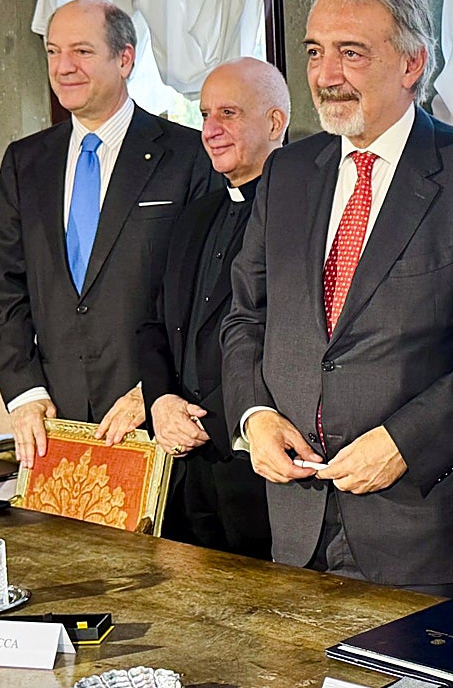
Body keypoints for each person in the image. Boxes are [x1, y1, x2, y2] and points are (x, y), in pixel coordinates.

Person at [220, 0, 453, 595]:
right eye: (316, 52)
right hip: (295, 522)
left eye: (351, 53)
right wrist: (254, 416)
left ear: (411, 64)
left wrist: (407, 441)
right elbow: (245, 316)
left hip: (425, 524)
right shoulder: (288, 172)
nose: (325, 76)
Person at [0, 0, 216, 469]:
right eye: (52, 52)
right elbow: (3, 290)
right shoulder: (24, 162)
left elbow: (206, 298)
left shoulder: (188, 155)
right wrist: (25, 393)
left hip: (154, 422)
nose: (63, 67)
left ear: (125, 59)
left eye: (82, 52)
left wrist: (155, 388)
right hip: (54, 425)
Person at [137, 58, 287, 559]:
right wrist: (160, 401)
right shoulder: (196, 211)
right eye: (204, 115)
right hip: (183, 466)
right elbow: (153, 320)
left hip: (260, 465)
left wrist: (214, 418)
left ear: (274, 122)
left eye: (228, 113)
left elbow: (287, 338)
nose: (210, 130)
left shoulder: (303, 218)